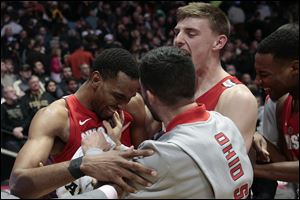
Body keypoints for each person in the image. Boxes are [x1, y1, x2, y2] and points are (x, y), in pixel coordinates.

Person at [80, 46, 254, 198]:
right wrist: (117, 145)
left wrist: (93, 154)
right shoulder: (224, 123)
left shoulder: (164, 154)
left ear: (150, 96)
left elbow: (100, 194)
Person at [9, 48, 157, 199]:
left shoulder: (133, 103)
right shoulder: (56, 116)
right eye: (118, 96)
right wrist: (83, 164)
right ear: (96, 79)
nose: (123, 105)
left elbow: (144, 163)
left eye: (129, 97)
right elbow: (17, 184)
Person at [173, 2, 257, 152]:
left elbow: (227, 166)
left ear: (218, 42)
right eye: (176, 33)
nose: (178, 40)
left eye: (191, 33)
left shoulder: (237, 97)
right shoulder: (172, 88)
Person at [253, 23, 299, 198]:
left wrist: (252, 169)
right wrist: (252, 134)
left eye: (264, 75)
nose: (258, 81)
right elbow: (286, 165)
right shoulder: (277, 104)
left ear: (294, 68)